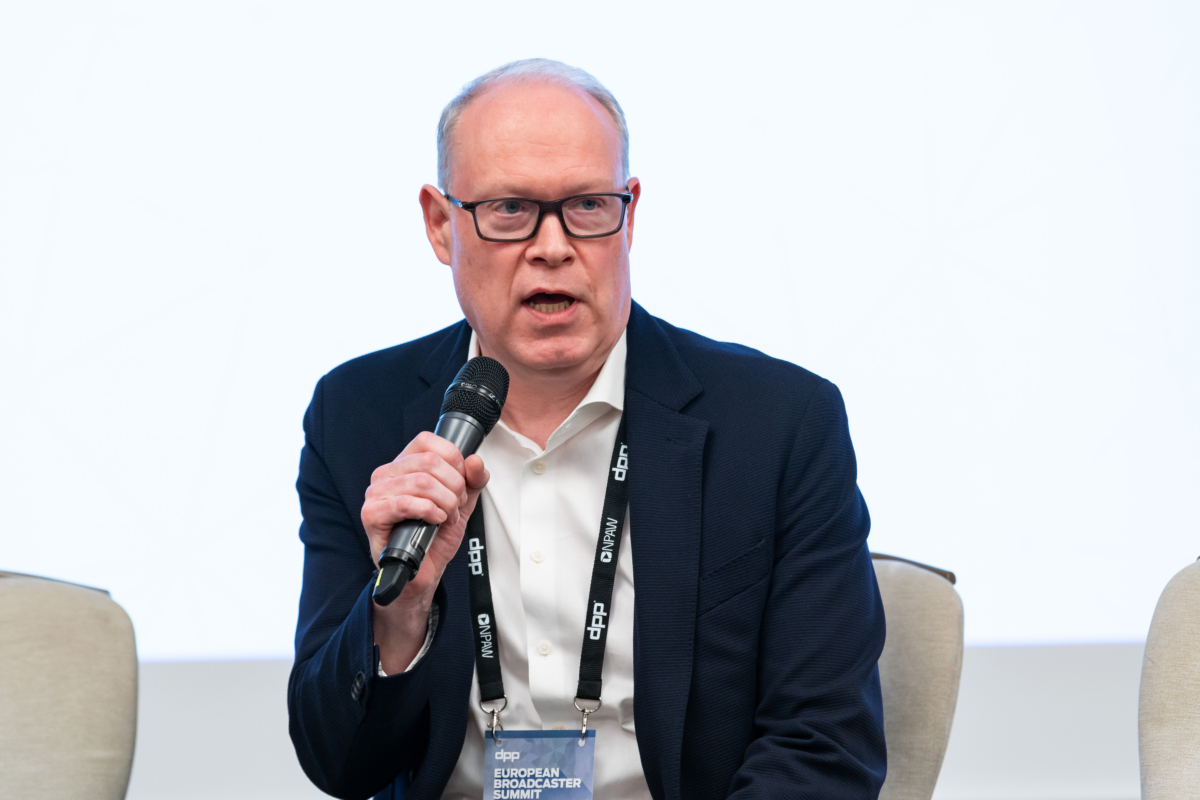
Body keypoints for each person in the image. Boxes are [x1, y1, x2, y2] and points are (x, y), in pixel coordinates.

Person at [288, 59, 886, 800]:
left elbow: (823, 745)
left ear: (629, 215)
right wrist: (400, 610)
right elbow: (336, 762)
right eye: (509, 209)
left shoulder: (779, 424)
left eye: (588, 206)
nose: (553, 246)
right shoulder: (360, 416)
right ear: (442, 225)